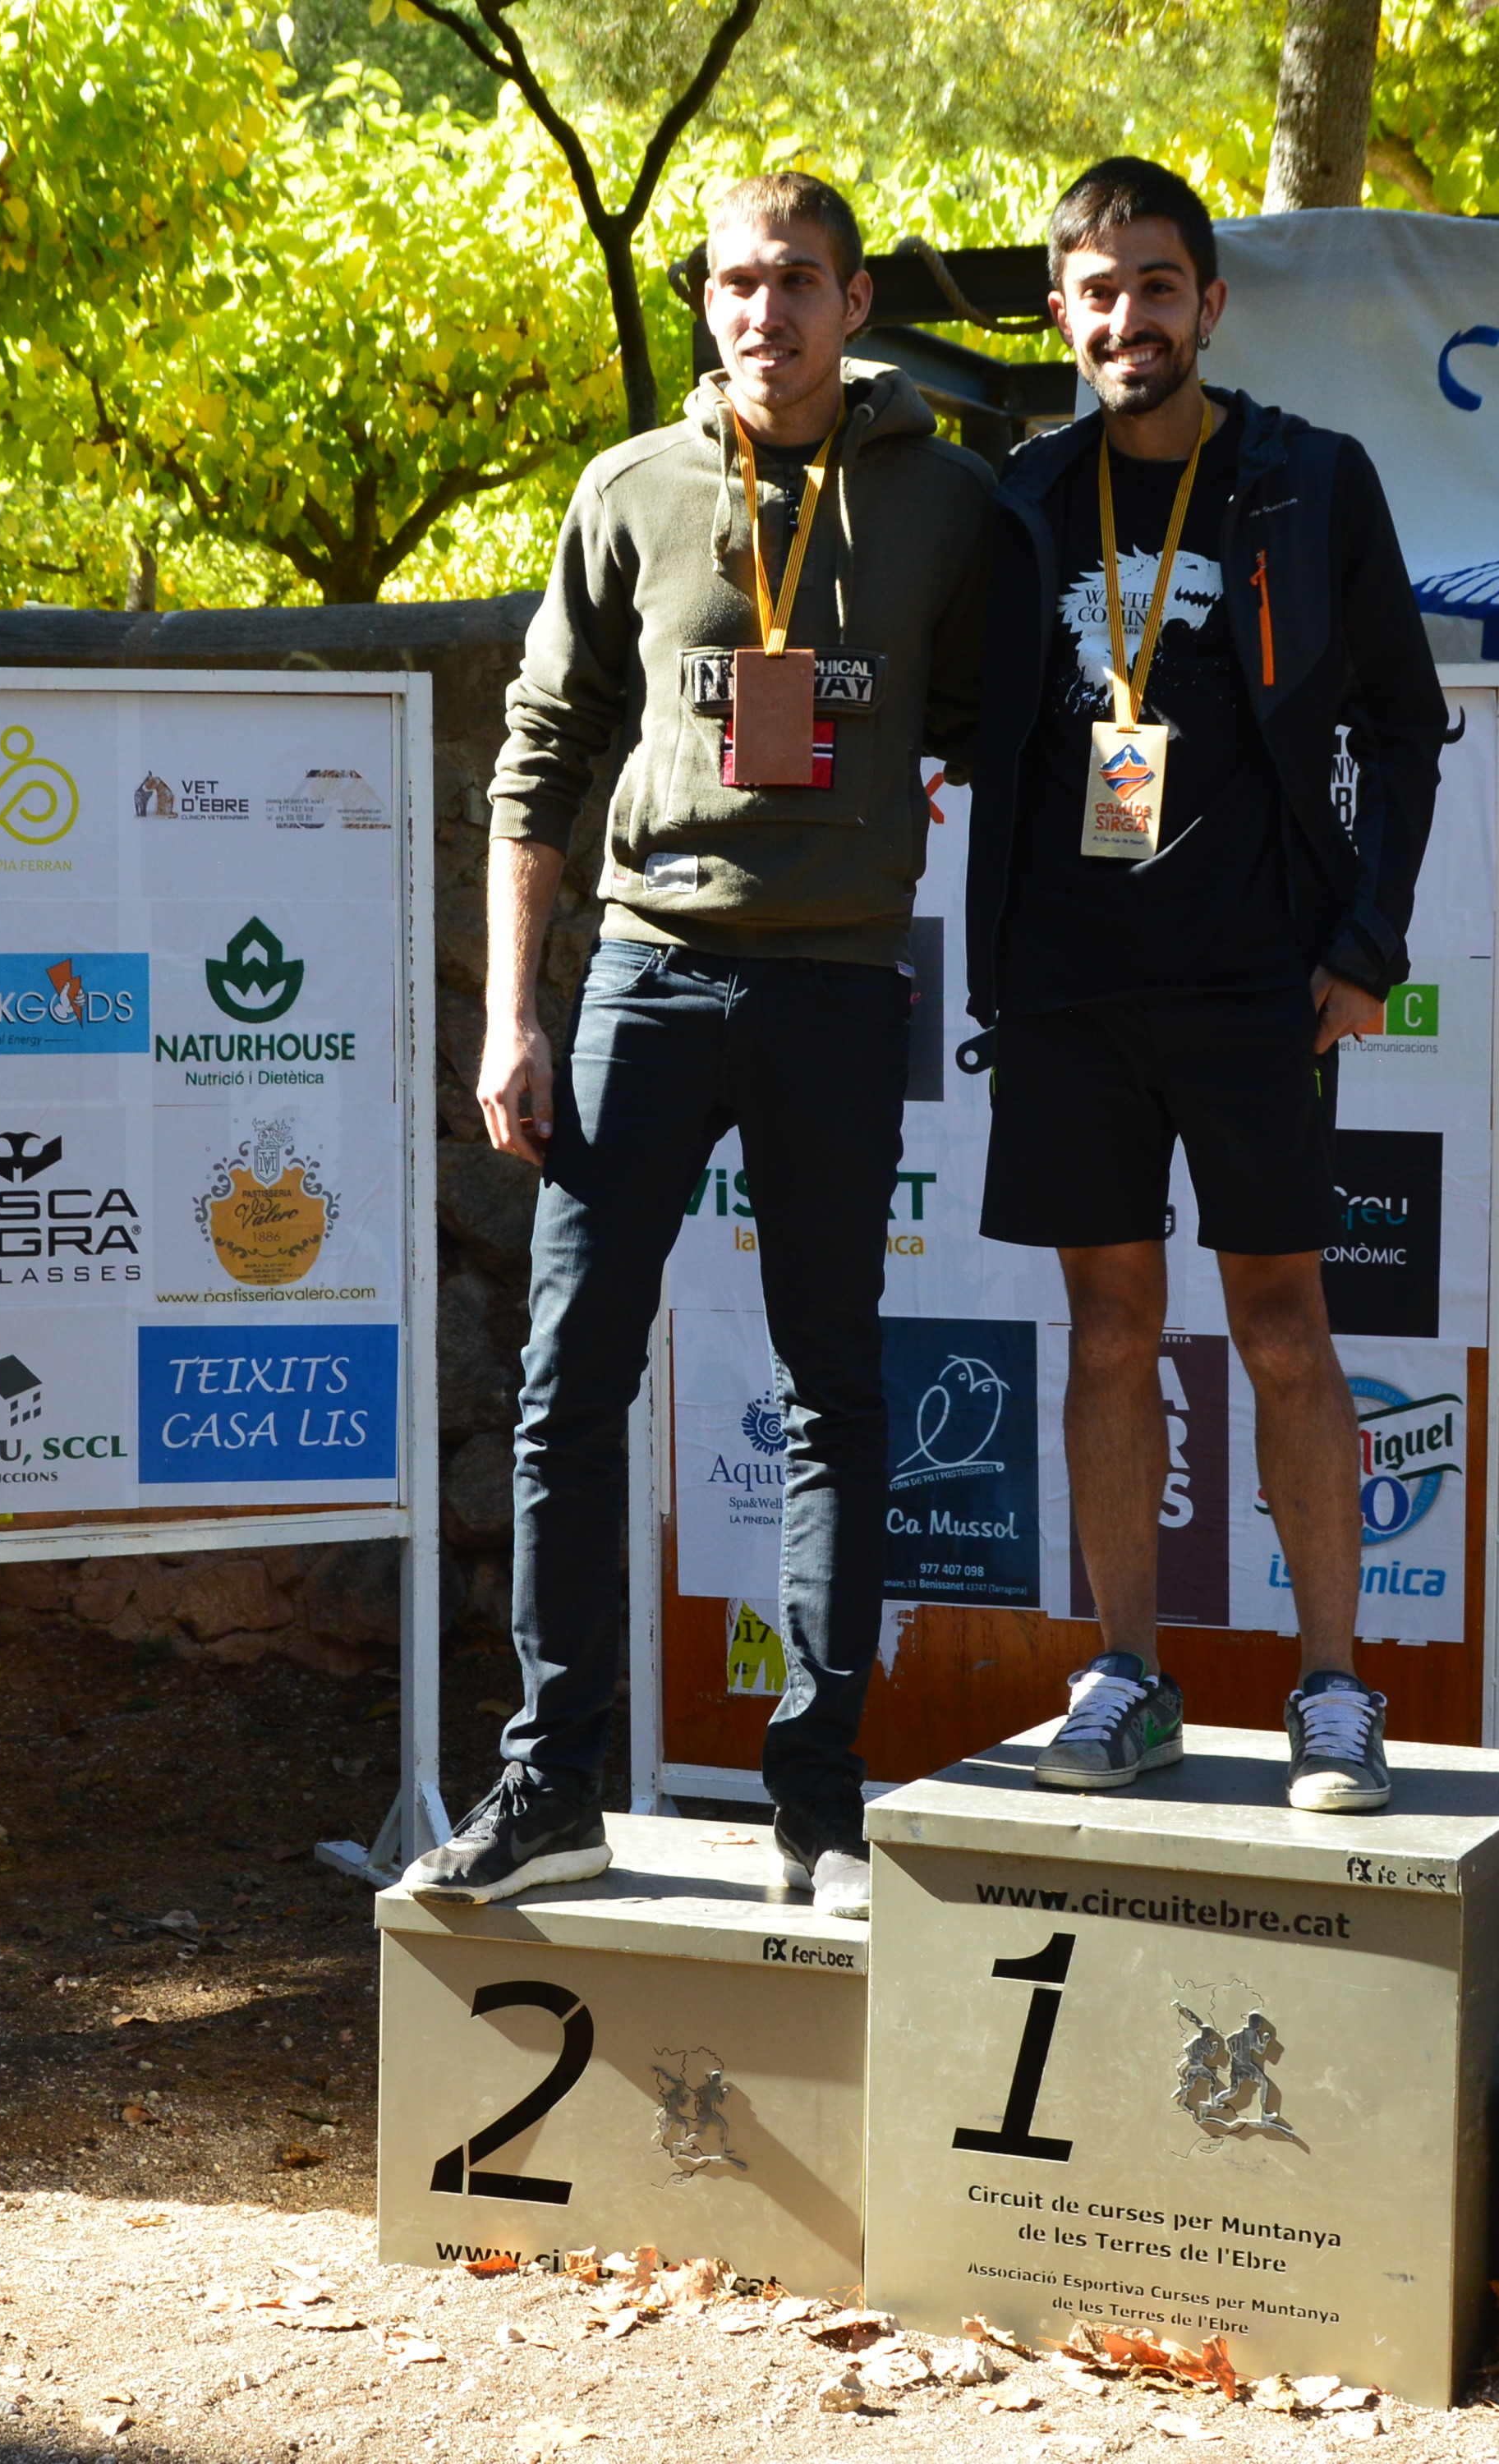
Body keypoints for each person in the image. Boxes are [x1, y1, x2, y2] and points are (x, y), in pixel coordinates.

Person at [400, 171, 991, 1915]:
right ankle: (550, 1788)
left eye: (797, 280)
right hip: (646, 983)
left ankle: (820, 1808)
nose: (764, 311)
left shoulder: (950, 500)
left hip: (837, 991)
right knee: (565, 1386)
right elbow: (539, 756)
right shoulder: (631, 489)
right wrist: (516, 1012)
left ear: (856, 302)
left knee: (836, 1394)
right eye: (737, 282)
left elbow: (1005, 727)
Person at [960, 157, 1446, 1809]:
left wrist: (1366, 945)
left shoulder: (1310, 482)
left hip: (1255, 983)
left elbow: (1403, 723)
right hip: (1069, 985)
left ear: (1211, 304)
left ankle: (1335, 1688)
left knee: (1286, 1331)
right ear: (1061, 316)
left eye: (1157, 287)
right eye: (1098, 292)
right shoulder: (1023, 498)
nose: (1129, 319)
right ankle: (1127, 1675)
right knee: (1108, 1332)